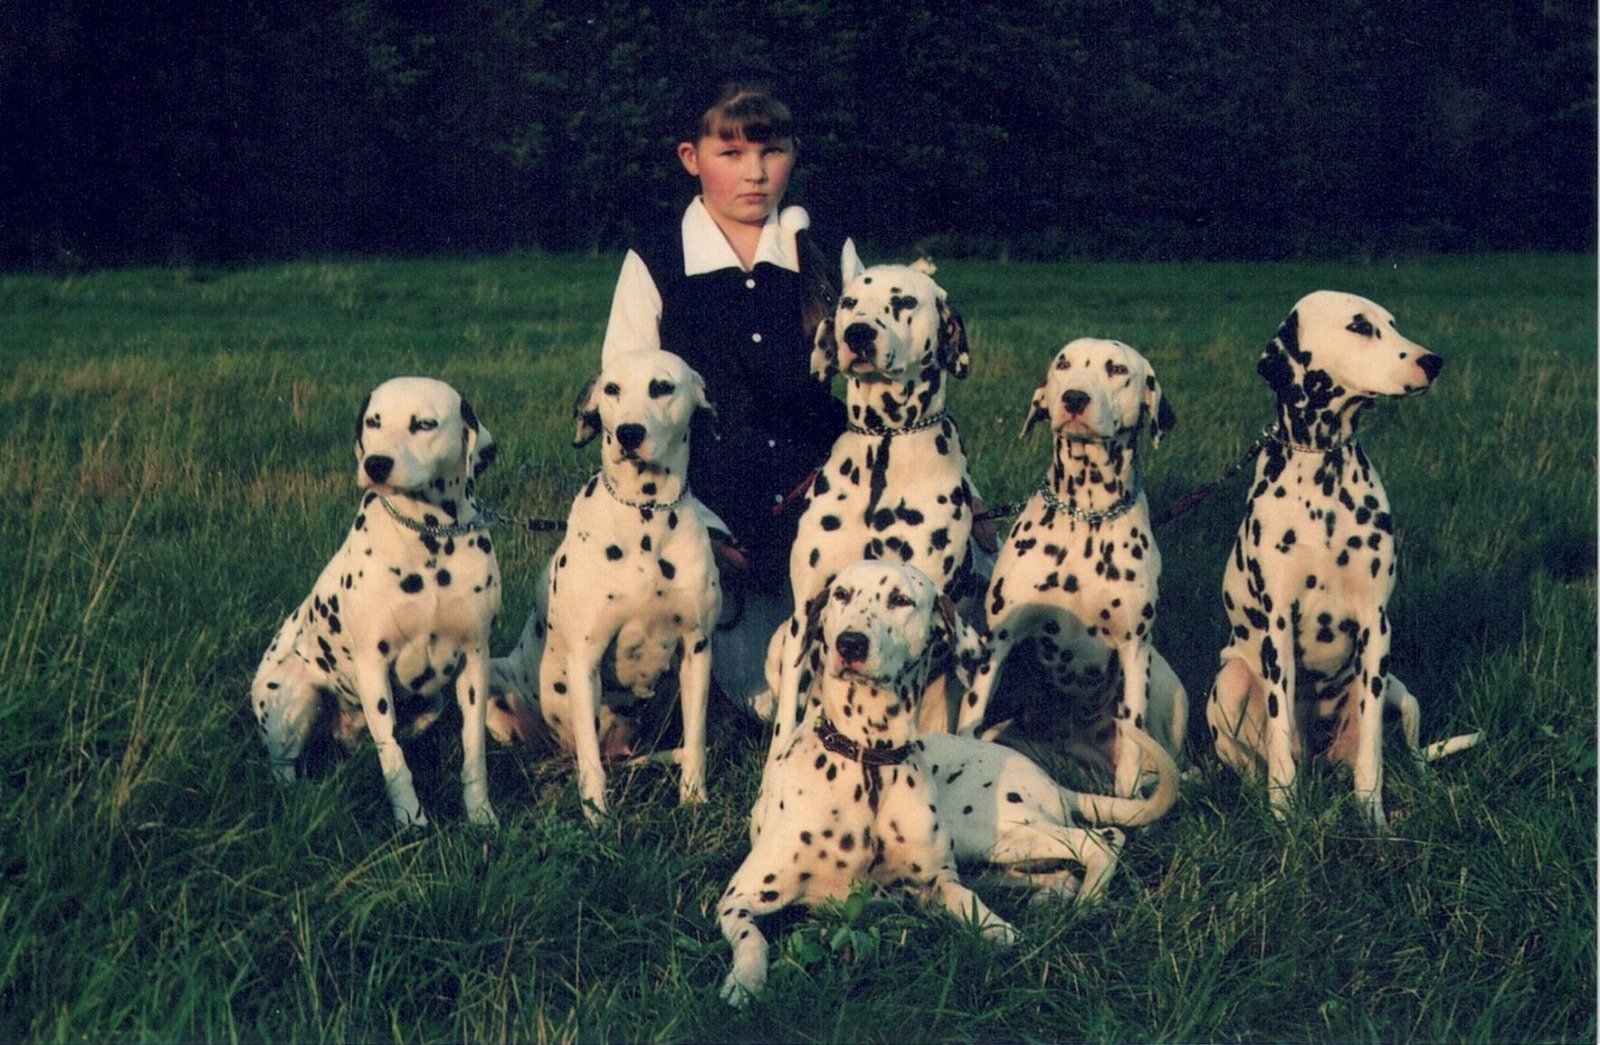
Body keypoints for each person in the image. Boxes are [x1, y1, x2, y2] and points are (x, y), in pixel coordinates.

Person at [600, 66, 848, 720]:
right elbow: (628, 421)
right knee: (732, 706)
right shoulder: (655, 261)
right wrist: (699, 529)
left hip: (824, 520)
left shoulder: (824, 252)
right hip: (699, 529)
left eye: (772, 151)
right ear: (692, 158)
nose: (755, 172)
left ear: (794, 152)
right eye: (731, 153)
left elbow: (891, 396)